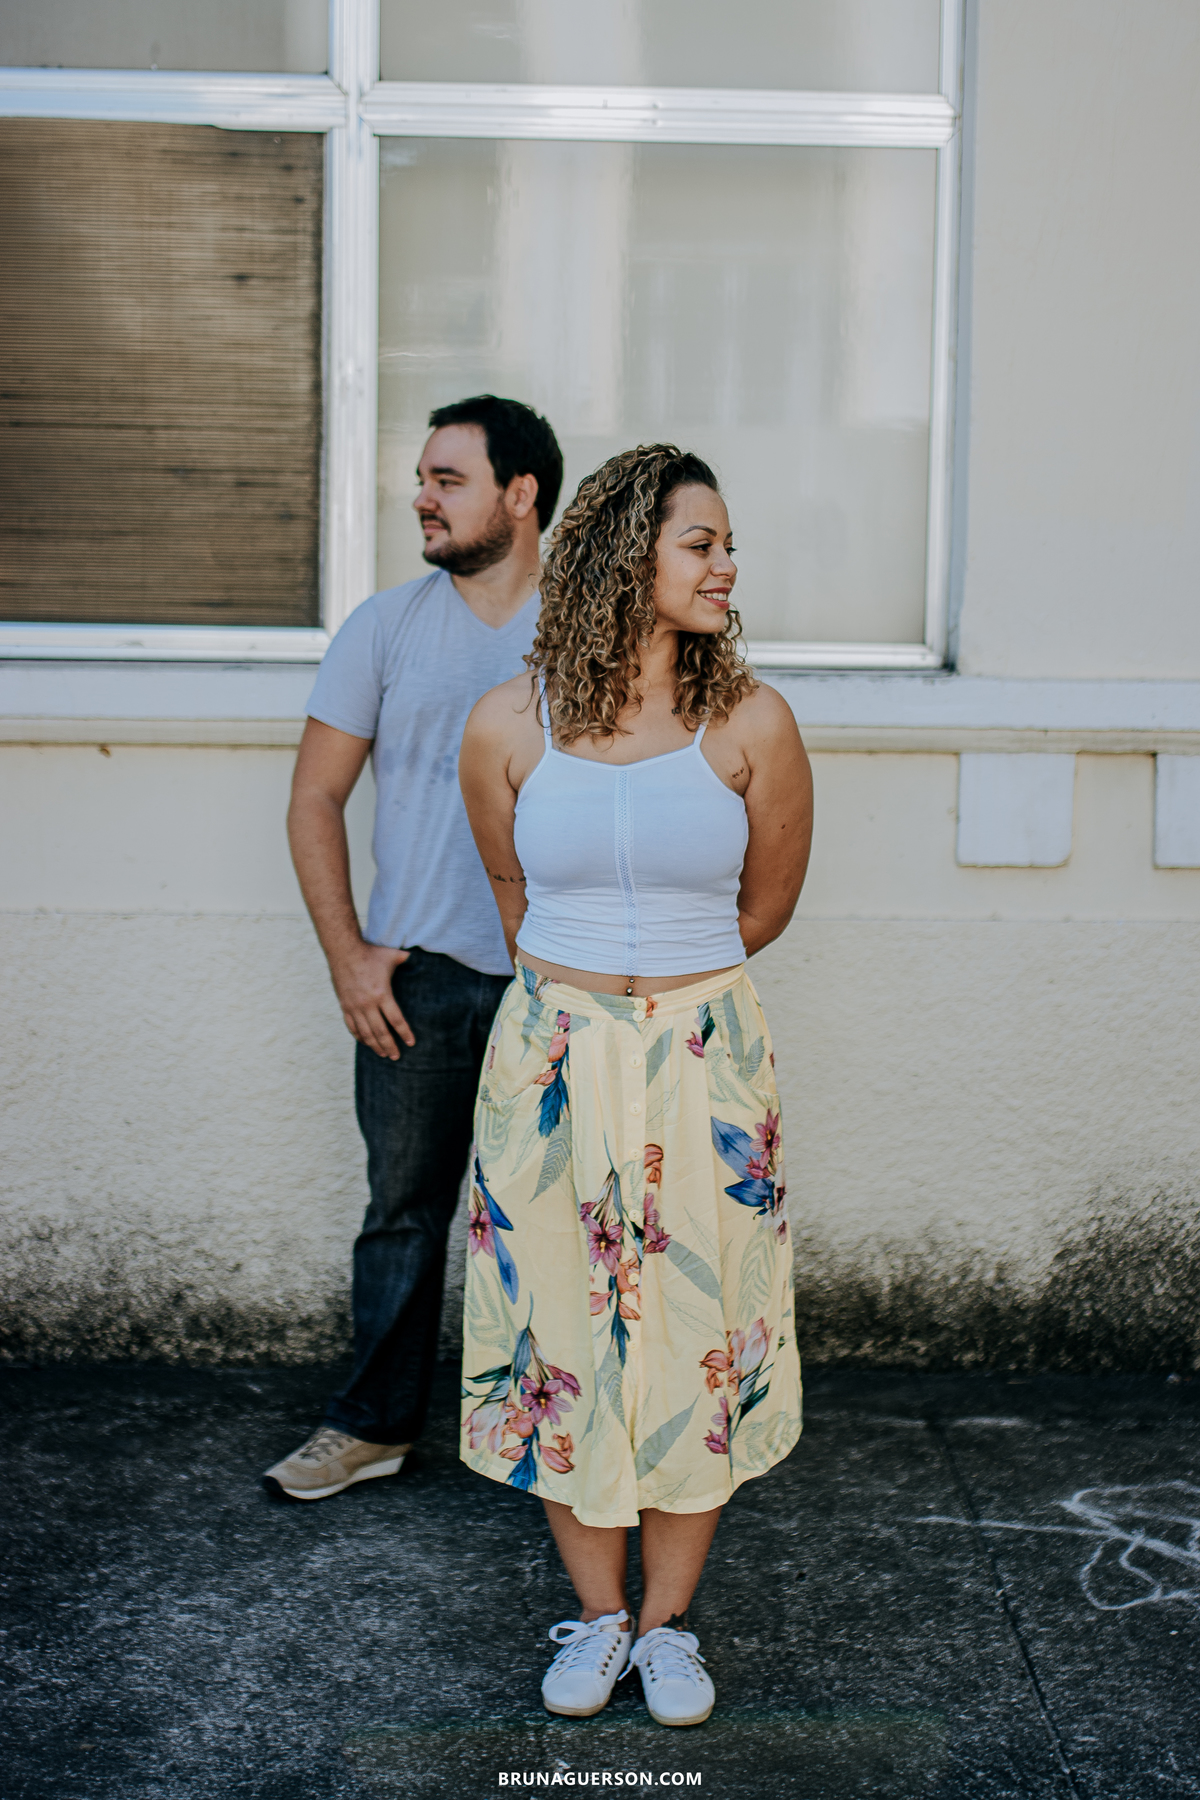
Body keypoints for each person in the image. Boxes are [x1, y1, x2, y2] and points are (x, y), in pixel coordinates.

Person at [457, 445, 813, 1726]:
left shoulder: (754, 722)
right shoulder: (507, 724)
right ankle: (598, 1618)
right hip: (550, 1060)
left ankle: (668, 1631)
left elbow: (763, 907)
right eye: (701, 544)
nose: (728, 566)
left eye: (726, 545)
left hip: (703, 1067)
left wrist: (662, 1006)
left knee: (691, 1343)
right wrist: (584, 1013)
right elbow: (516, 895)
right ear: (627, 554)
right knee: (561, 1331)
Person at [262, 395, 563, 1501]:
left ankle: (555, 1437)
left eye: (448, 477)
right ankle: (371, 1426)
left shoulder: (588, 630)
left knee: (556, 1216)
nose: (421, 496)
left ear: (519, 494)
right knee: (403, 1215)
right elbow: (314, 798)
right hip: (418, 977)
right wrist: (349, 956)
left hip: (557, 976)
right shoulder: (384, 627)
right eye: (422, 477)